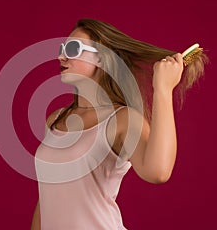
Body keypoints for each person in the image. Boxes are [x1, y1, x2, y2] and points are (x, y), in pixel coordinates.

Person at [31, 18, 208, 230]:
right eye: (62, 48)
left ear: (102, 59)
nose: (61, 55)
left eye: (72, 48)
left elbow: (158, 172)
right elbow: (47, 197)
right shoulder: (56, 120)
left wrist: (163, 89)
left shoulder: (123, 119)